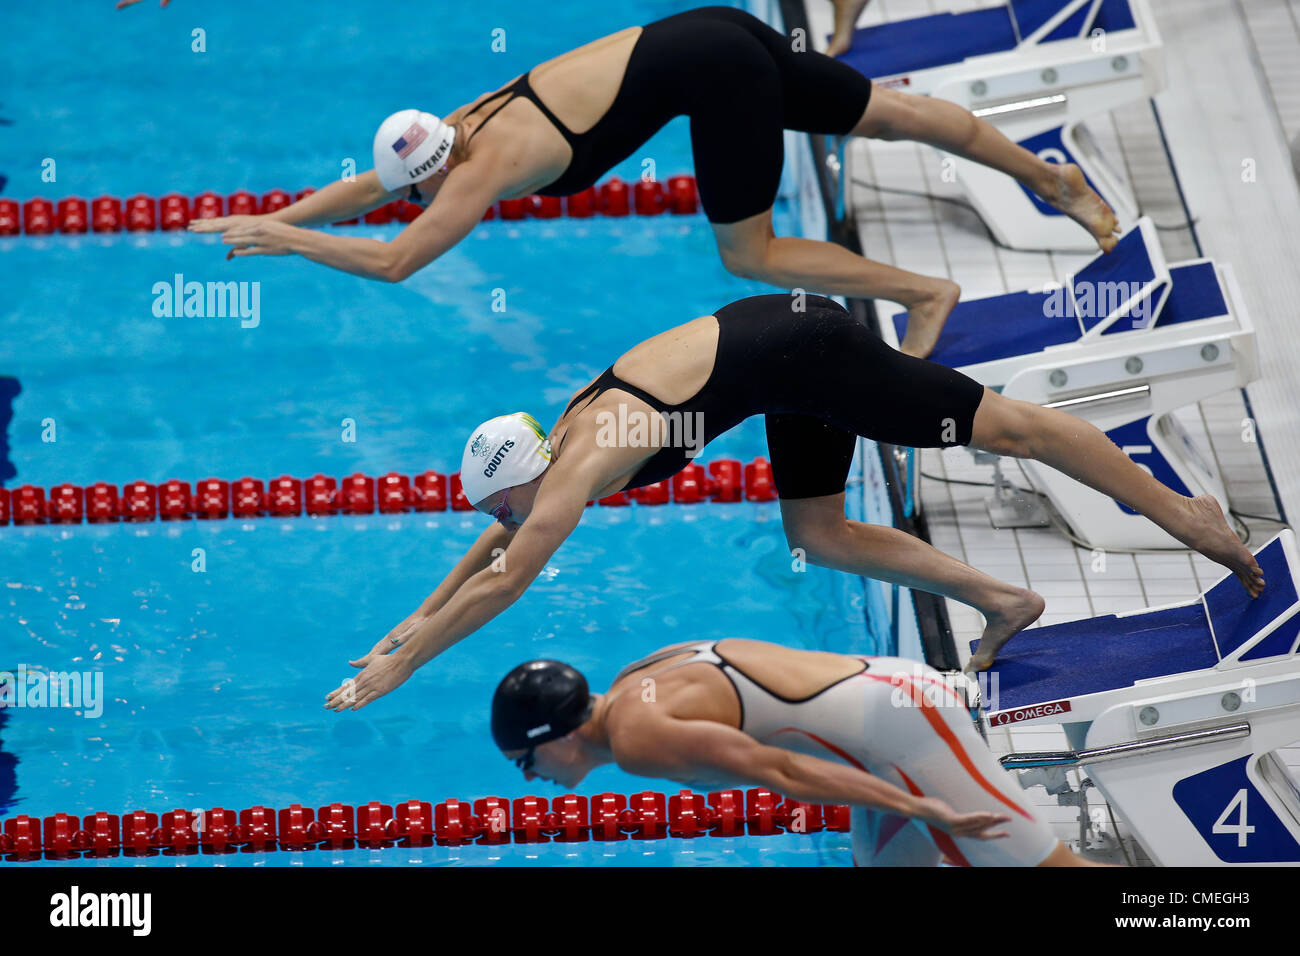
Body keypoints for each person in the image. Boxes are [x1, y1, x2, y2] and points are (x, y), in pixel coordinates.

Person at [322, 293, 1264, 711]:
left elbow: (507, 581)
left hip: (812, 351)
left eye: (500, 506)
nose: (500, 522)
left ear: (522, 480)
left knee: (1013, 427)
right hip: (777, 357)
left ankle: (1183, 517)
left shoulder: (574, 471)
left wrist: (403, 670)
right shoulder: (552, 448)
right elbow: (494, 554)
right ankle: (1004, 600)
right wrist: (412, 619)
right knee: (817, 532)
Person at [190, 6, 1117, 358]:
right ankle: (1056, 181)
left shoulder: (476, 176)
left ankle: (923, 293)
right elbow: (370, 188)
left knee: (747, 253)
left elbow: (396, 262)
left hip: (725, 77)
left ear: (441, 174)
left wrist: (290, 242)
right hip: (715, 29)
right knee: (887, 111)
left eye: (422, 193)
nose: (420, 200)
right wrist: (270, 214)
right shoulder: (462, 124)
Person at [488, 642, 1104, 866]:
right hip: (887, 711)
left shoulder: (637, 739)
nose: (533, 780)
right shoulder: (633, 682)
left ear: (558, 738)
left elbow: (783, 771)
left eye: (526, 762)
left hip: (907, 727)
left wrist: (929, 809)